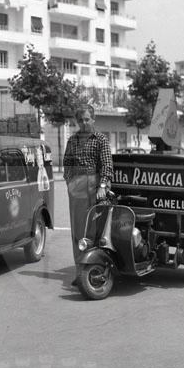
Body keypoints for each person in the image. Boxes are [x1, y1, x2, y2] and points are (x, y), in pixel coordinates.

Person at [63, 105, 114, 284]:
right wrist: (69, 182)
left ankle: (93, 269)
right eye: (80, 120)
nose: (84, 123)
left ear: (93, 119)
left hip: (94, 184)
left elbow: (107, 164)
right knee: (78, 229)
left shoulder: (100, 139)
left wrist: (102, 186)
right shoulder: (72, 140)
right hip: (76, 184)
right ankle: (80, 272)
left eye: (87, 119)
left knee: (93, 229)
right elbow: (67, 162)